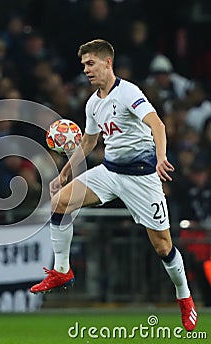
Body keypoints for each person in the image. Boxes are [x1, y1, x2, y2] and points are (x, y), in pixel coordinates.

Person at [30, 39, 198, 332]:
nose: (86, 70)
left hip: (142, 178)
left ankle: (184, 298)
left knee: (163, 246)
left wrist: (160, 158)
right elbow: (89, 141)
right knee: (59, 202)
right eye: (83, 65)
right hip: (110, 172)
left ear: (108, 62)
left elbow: (157, 124)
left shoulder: (128, 92)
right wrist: (65, 174)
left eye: (91, 63)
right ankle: (61, 270)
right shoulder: (93, 103)